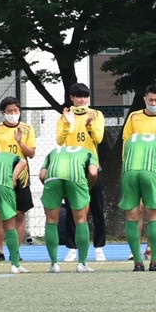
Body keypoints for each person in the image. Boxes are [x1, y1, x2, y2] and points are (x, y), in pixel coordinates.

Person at [120, 84, 156, 270]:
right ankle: (152, 260)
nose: (153, 103)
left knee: (135, 213)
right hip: (151, 171)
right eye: (150, 100)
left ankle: (144, 255)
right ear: (144, 99)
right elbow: (125, 141)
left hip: (132, 170)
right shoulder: (134, 117)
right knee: (151, 212)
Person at [56, 83, 107, 262]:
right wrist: (68, 124)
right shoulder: (65, 116)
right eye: (78, 96)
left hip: (92, 167)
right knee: (72, 209)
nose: (82, 100)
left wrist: (90, 126)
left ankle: (99, 248)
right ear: (72, 98)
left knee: (97, 208)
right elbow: (60, 140)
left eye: (85, 96)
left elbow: (99, 138)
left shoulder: (96, 114)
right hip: (72, 169)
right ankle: (72, 248)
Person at [0, 96, 37, 261]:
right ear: (3, 112)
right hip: (1, 177)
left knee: (19, 215)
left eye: (16, 111)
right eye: (9, 111)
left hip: (22, 177)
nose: (13, 114)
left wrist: (20, 142)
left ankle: (16, 251)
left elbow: (31, 154)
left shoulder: (27, 129)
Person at [40, 144, 98, 272]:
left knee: (51, 221)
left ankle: (54, 264)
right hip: (76, 177)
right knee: (81, 220)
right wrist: (87, 187)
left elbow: (42, 175)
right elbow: (93, 172)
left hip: (53, 178)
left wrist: (53, 188)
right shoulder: (88, 152)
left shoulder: (54, 151)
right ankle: (82, 264)